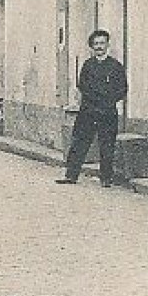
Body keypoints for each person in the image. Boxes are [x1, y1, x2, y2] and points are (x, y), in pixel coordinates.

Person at [60, 30, 130, 187]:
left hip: (107, 112)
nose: (99, 47)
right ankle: (71, 175)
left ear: (107, 45)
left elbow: (122, 88)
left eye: (102, 43)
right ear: (92, 47)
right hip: (88, 111)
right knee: (79, 143)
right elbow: (82, 86)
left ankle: (106, 178)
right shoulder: (88, 65)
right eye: (96, 44)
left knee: (107, 145)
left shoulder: (115, 66)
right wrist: (94, 100)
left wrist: (108, 101)